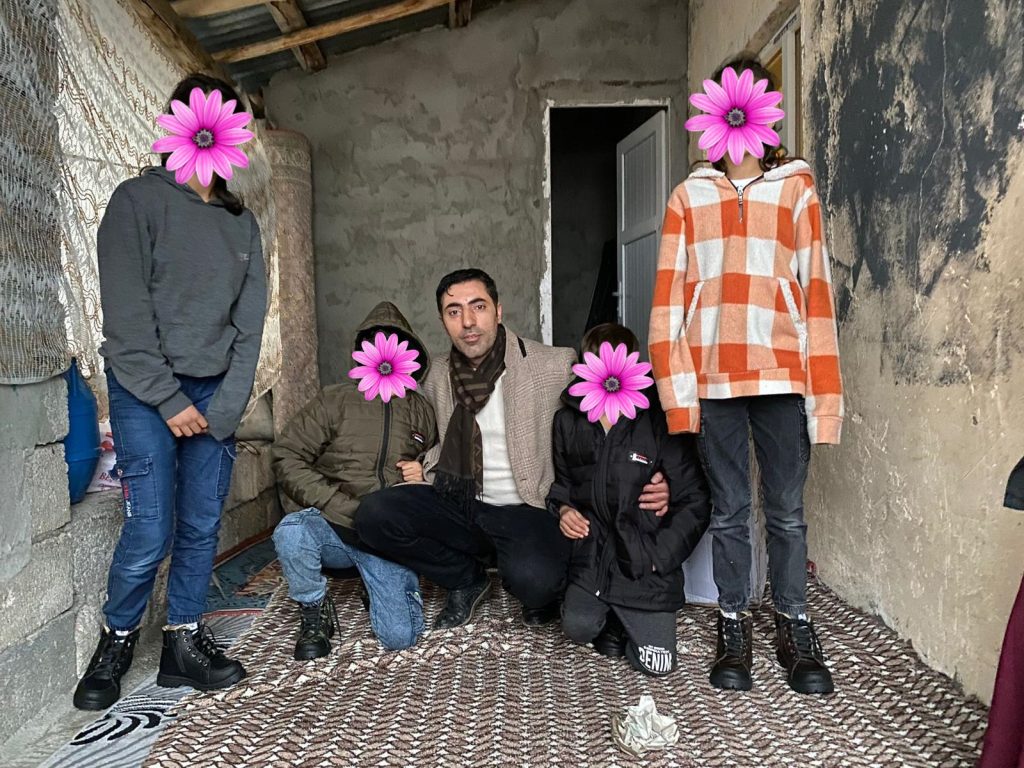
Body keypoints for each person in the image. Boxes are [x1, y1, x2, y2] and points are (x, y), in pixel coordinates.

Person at [649, 57, 844, 694]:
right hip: (714, 382)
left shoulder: (796, 190)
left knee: (786, 512)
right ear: (713, 116)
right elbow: (667, 304)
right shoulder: (688, 197)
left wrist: (824, 400)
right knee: (730, 513)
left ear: (766, 112)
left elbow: (817, 297)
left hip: (783, 377)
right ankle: (733, 623)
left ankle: (794, 623)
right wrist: (680, 398)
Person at [74, 73, 267, 711]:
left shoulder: (242, 225)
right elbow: (126, 320)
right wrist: (168, 399)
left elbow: (249, 328)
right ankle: (118, 638)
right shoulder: (135, 202)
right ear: (177, 126)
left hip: (217, 394)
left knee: (202, 523)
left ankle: (183, 643)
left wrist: (225, 407)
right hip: (144, 388)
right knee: (151, 528)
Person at [357, 269, 670, 630]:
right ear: (443, 320)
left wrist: (649, 472)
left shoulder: (554, 364)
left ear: (498, 311)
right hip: (460, 500)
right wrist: (425, 462)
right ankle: (465, 577)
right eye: (454, 311)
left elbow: (607, 420)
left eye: (478, 307)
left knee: (538, 584)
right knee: (374, 515)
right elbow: (423, 433)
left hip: (527, 506)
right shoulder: (435, 374)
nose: (468, 322)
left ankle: (518, 565)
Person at [271, 302, 436, 659]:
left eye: (396, 343)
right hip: (334, 525)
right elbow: (287, 455)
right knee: (291, 531)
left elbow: (438, 463)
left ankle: (380, 585)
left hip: (387, 534)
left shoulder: (421, 409)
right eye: (374, 342)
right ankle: (315, 610)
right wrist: (335, 503)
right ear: (363, 350)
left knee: (400, 637)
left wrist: (424, 470)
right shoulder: (334, 400)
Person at [550, 323, 712, 676]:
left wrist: (658, 556)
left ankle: (623, 619)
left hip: (642, 556)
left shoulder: (657, 420)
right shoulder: (567, 421)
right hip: (593, 556)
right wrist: (563, 509)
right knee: (578, 627)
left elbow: (695, 499)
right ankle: (610, 618)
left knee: (658, 665)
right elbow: (563, 485)